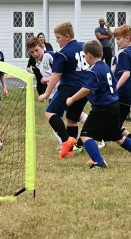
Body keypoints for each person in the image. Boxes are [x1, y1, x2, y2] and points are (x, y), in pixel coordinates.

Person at [66, 40, 131, 169]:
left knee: (85, 135)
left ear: (89, 55)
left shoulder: (94, 71)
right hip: (114, 106)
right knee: (118, 137)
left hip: (102, 108)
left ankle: (99, 162)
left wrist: (72, 99)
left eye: (85, 56)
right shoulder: (105, 67)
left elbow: (87, 89)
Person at [38, 21, 89, 159]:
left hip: (69, 88)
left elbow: (56, 75)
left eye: (58, 37)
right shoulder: (84, 46)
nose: (57, 41)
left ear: (67, 36)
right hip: (84, 89)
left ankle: (66, 141)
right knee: (72, 119)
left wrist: (46, 93)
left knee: (50, 112)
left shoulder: (63, 53)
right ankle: (70, 150)